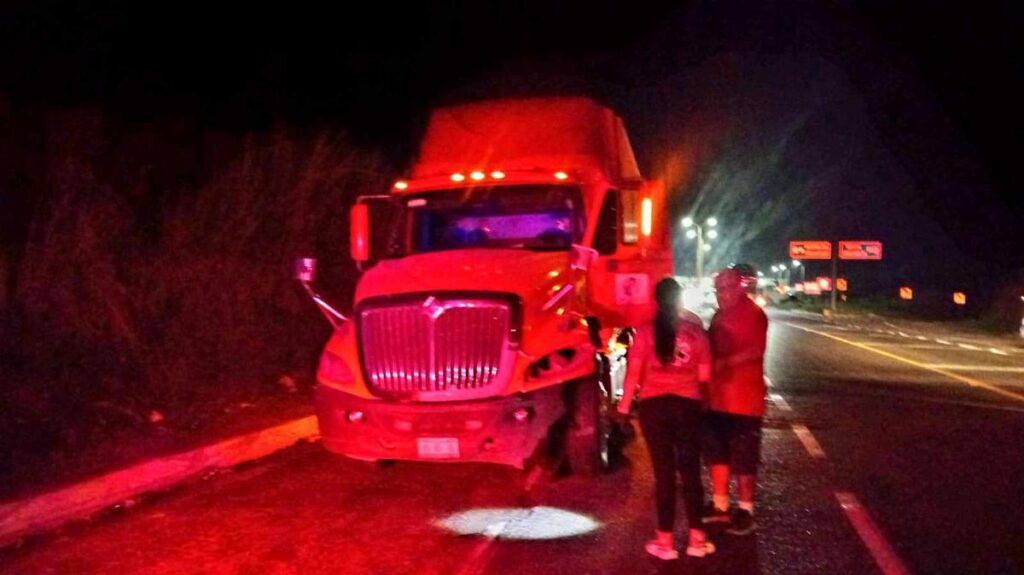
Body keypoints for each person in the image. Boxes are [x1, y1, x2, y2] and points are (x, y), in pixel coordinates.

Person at [617, 277, 715, 560]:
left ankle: (665, 542)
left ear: (656, 301)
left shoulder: (645, 332)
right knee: (690, 471)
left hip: (654, 408)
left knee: (664, 474)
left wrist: (623, 410)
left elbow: (633, 375)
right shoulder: (697, 333)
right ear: (680, 300)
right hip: (688, 406)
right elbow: (705, 378)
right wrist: (704, 408)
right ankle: (697, 539)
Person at [703, 268, 769, 535]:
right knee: (717, 453)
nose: (722, 294)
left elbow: (755, 350)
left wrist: (722, 363)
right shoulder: (720, 315)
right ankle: (720, 505)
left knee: (744, 457)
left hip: (744, 400)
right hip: (717, 398)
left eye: (726, 288)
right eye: (718, 289)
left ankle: (745, 510)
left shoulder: (753, 314)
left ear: (740, 287)